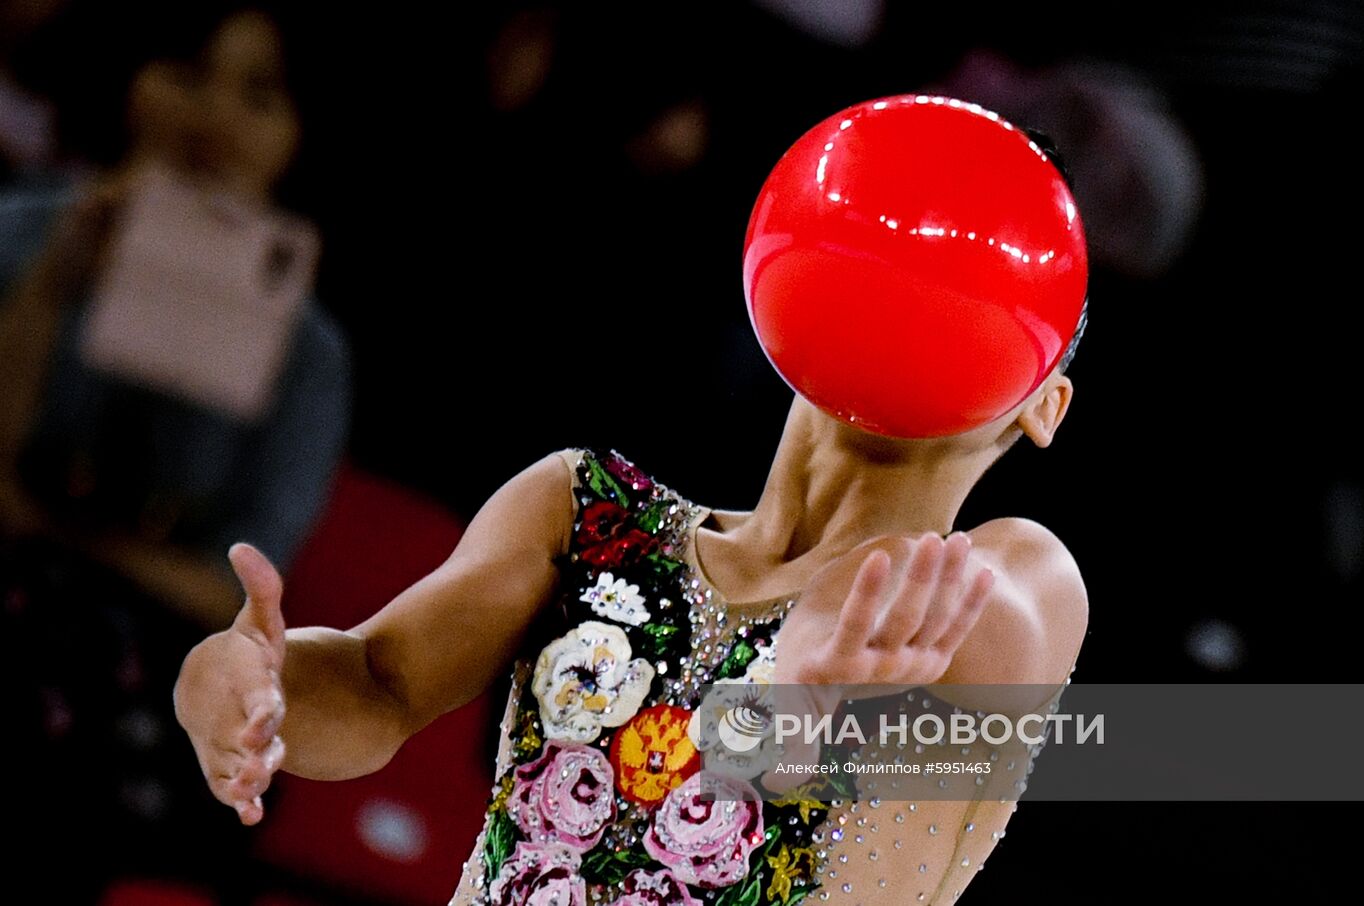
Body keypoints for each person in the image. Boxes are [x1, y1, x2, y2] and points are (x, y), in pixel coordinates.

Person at [174, 285, 1088, 904]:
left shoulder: (997, 595)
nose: (925, 295)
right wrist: (256, 688)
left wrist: (787, 726)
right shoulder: (589, 513)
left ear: (1046, 403)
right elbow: (378, 684)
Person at [1, 6, 349, 899]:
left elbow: (229, 586)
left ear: (299, 133)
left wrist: (67, 537)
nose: (214, 117)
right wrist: (48, 293)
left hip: (140, 664)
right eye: (188, 72)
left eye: (259, 95)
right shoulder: (20, 234)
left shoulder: (308, 353)